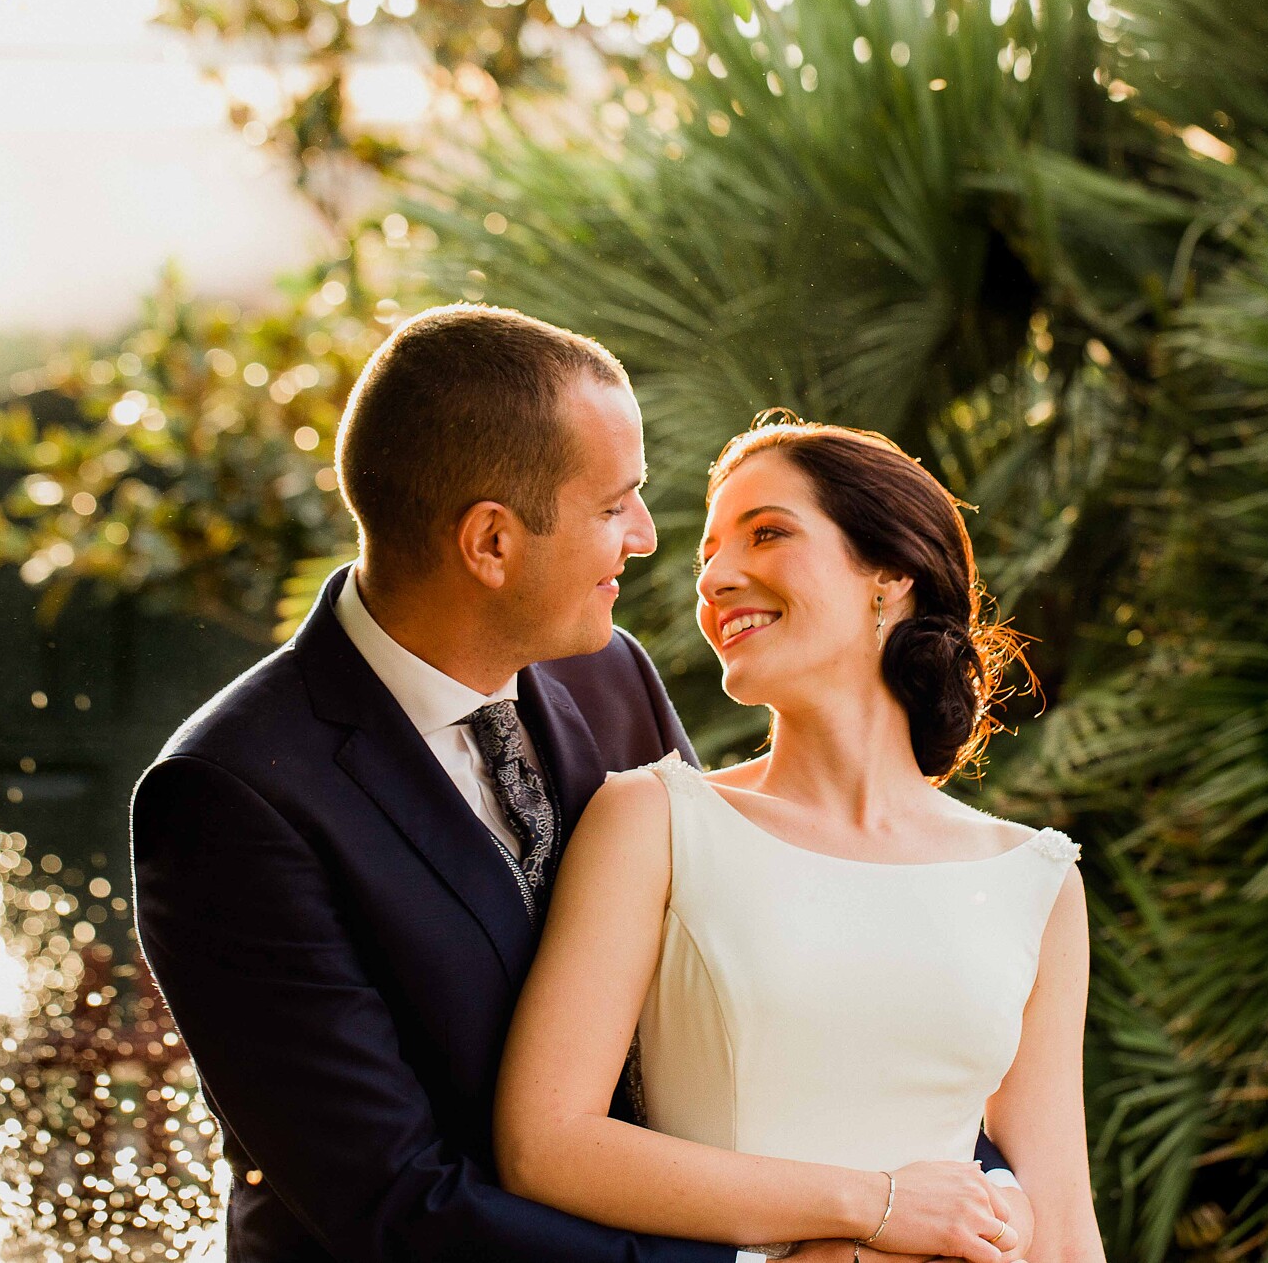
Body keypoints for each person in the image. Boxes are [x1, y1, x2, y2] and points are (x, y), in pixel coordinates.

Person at [130, 305, 1014, 1263]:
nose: (644, 536)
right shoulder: (227, 797)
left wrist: (963, 1184)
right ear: (491, 544)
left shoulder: (605, 669)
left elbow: (742, 963)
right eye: (612, 506)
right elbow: (397, 1200)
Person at [494, 417, 1106, 1263]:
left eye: (767, 532)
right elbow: (545, 1142)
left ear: (889, 576)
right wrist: (876, 1208)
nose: (714, 578)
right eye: (709, 553)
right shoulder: (653, 821)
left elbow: (1063, 1214)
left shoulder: (1034, 879)